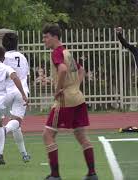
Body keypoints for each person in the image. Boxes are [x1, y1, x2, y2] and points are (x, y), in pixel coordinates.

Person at [42, 24, 98, 180]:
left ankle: (55, 175)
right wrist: (75, 86)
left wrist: (58, 89)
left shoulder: (57, 52)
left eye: (46, 37)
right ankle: (92, 174)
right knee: (81, 135)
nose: (44, 40)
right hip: (78, 98)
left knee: (47, 135)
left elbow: (62, 70)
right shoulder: (67, 52)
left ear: (54, 36)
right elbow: (81, 70)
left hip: (65, 100)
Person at [1, 33, 31, 162]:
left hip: (5, 92)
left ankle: (24, 153)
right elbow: (26, 76)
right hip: (21, 90)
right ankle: (4, 130)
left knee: (16, 124)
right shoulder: (22, 57)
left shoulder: (3, 57)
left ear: (3, 44)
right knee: (16, 121)